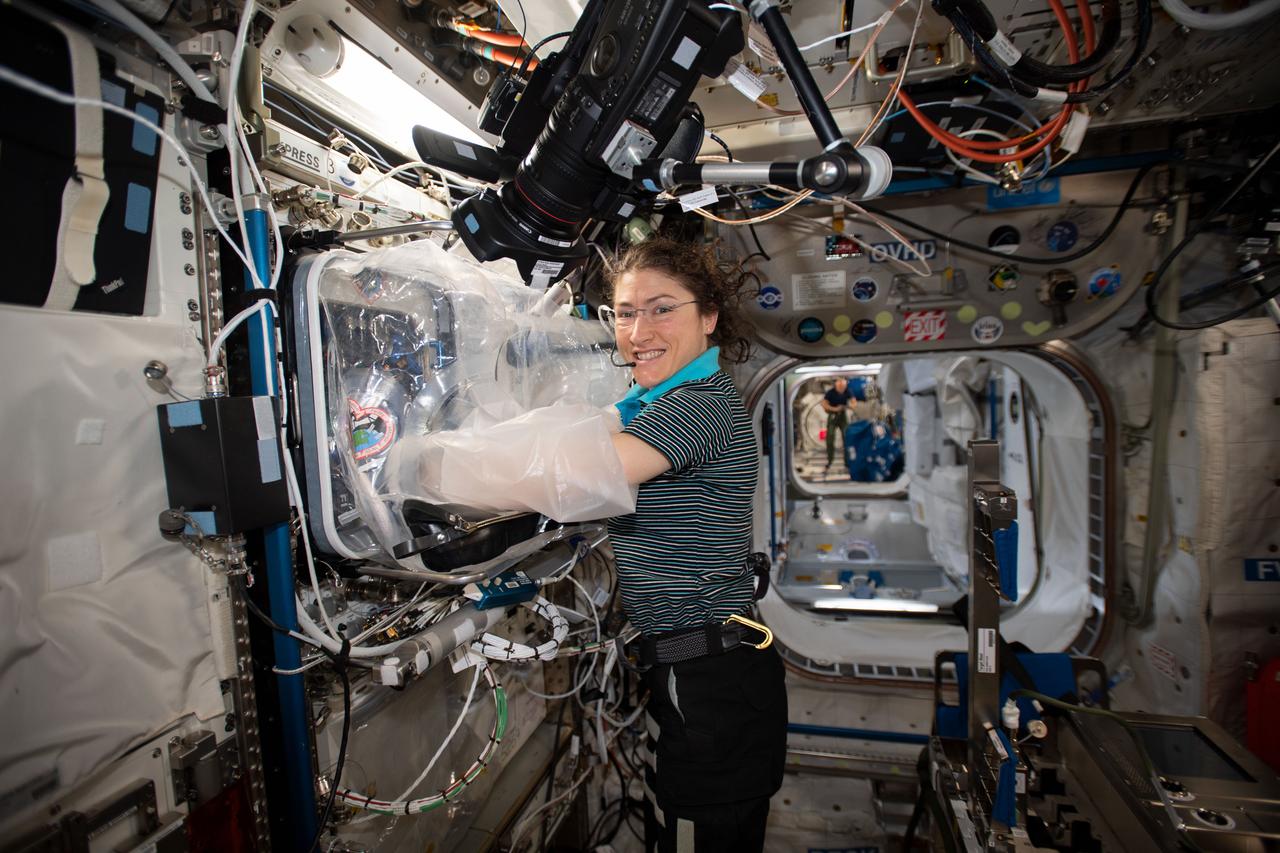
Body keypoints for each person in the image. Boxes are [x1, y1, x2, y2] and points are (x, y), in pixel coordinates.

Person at [601, 238, 787, 853]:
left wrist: (429, 467)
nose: (637, 330)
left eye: (660, 309)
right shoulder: (655, 403)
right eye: (625, 313)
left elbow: (585, 473)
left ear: (708, 317)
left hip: (712, 680)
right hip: (695, 669)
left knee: (698, 834)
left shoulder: (698, 406)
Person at [820, 376, 857, 468]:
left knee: (847, 437)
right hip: (833, 415)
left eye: (843, 386)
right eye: (840, 386)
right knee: (830, 438)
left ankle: (847, 462)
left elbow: (854, 403)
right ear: (836, 385)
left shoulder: (848, 391)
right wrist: (834, 409)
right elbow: (824, 404)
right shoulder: (830, 393)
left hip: (842, 416)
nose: (842, 388)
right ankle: (830, 460)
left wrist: (848, 406)